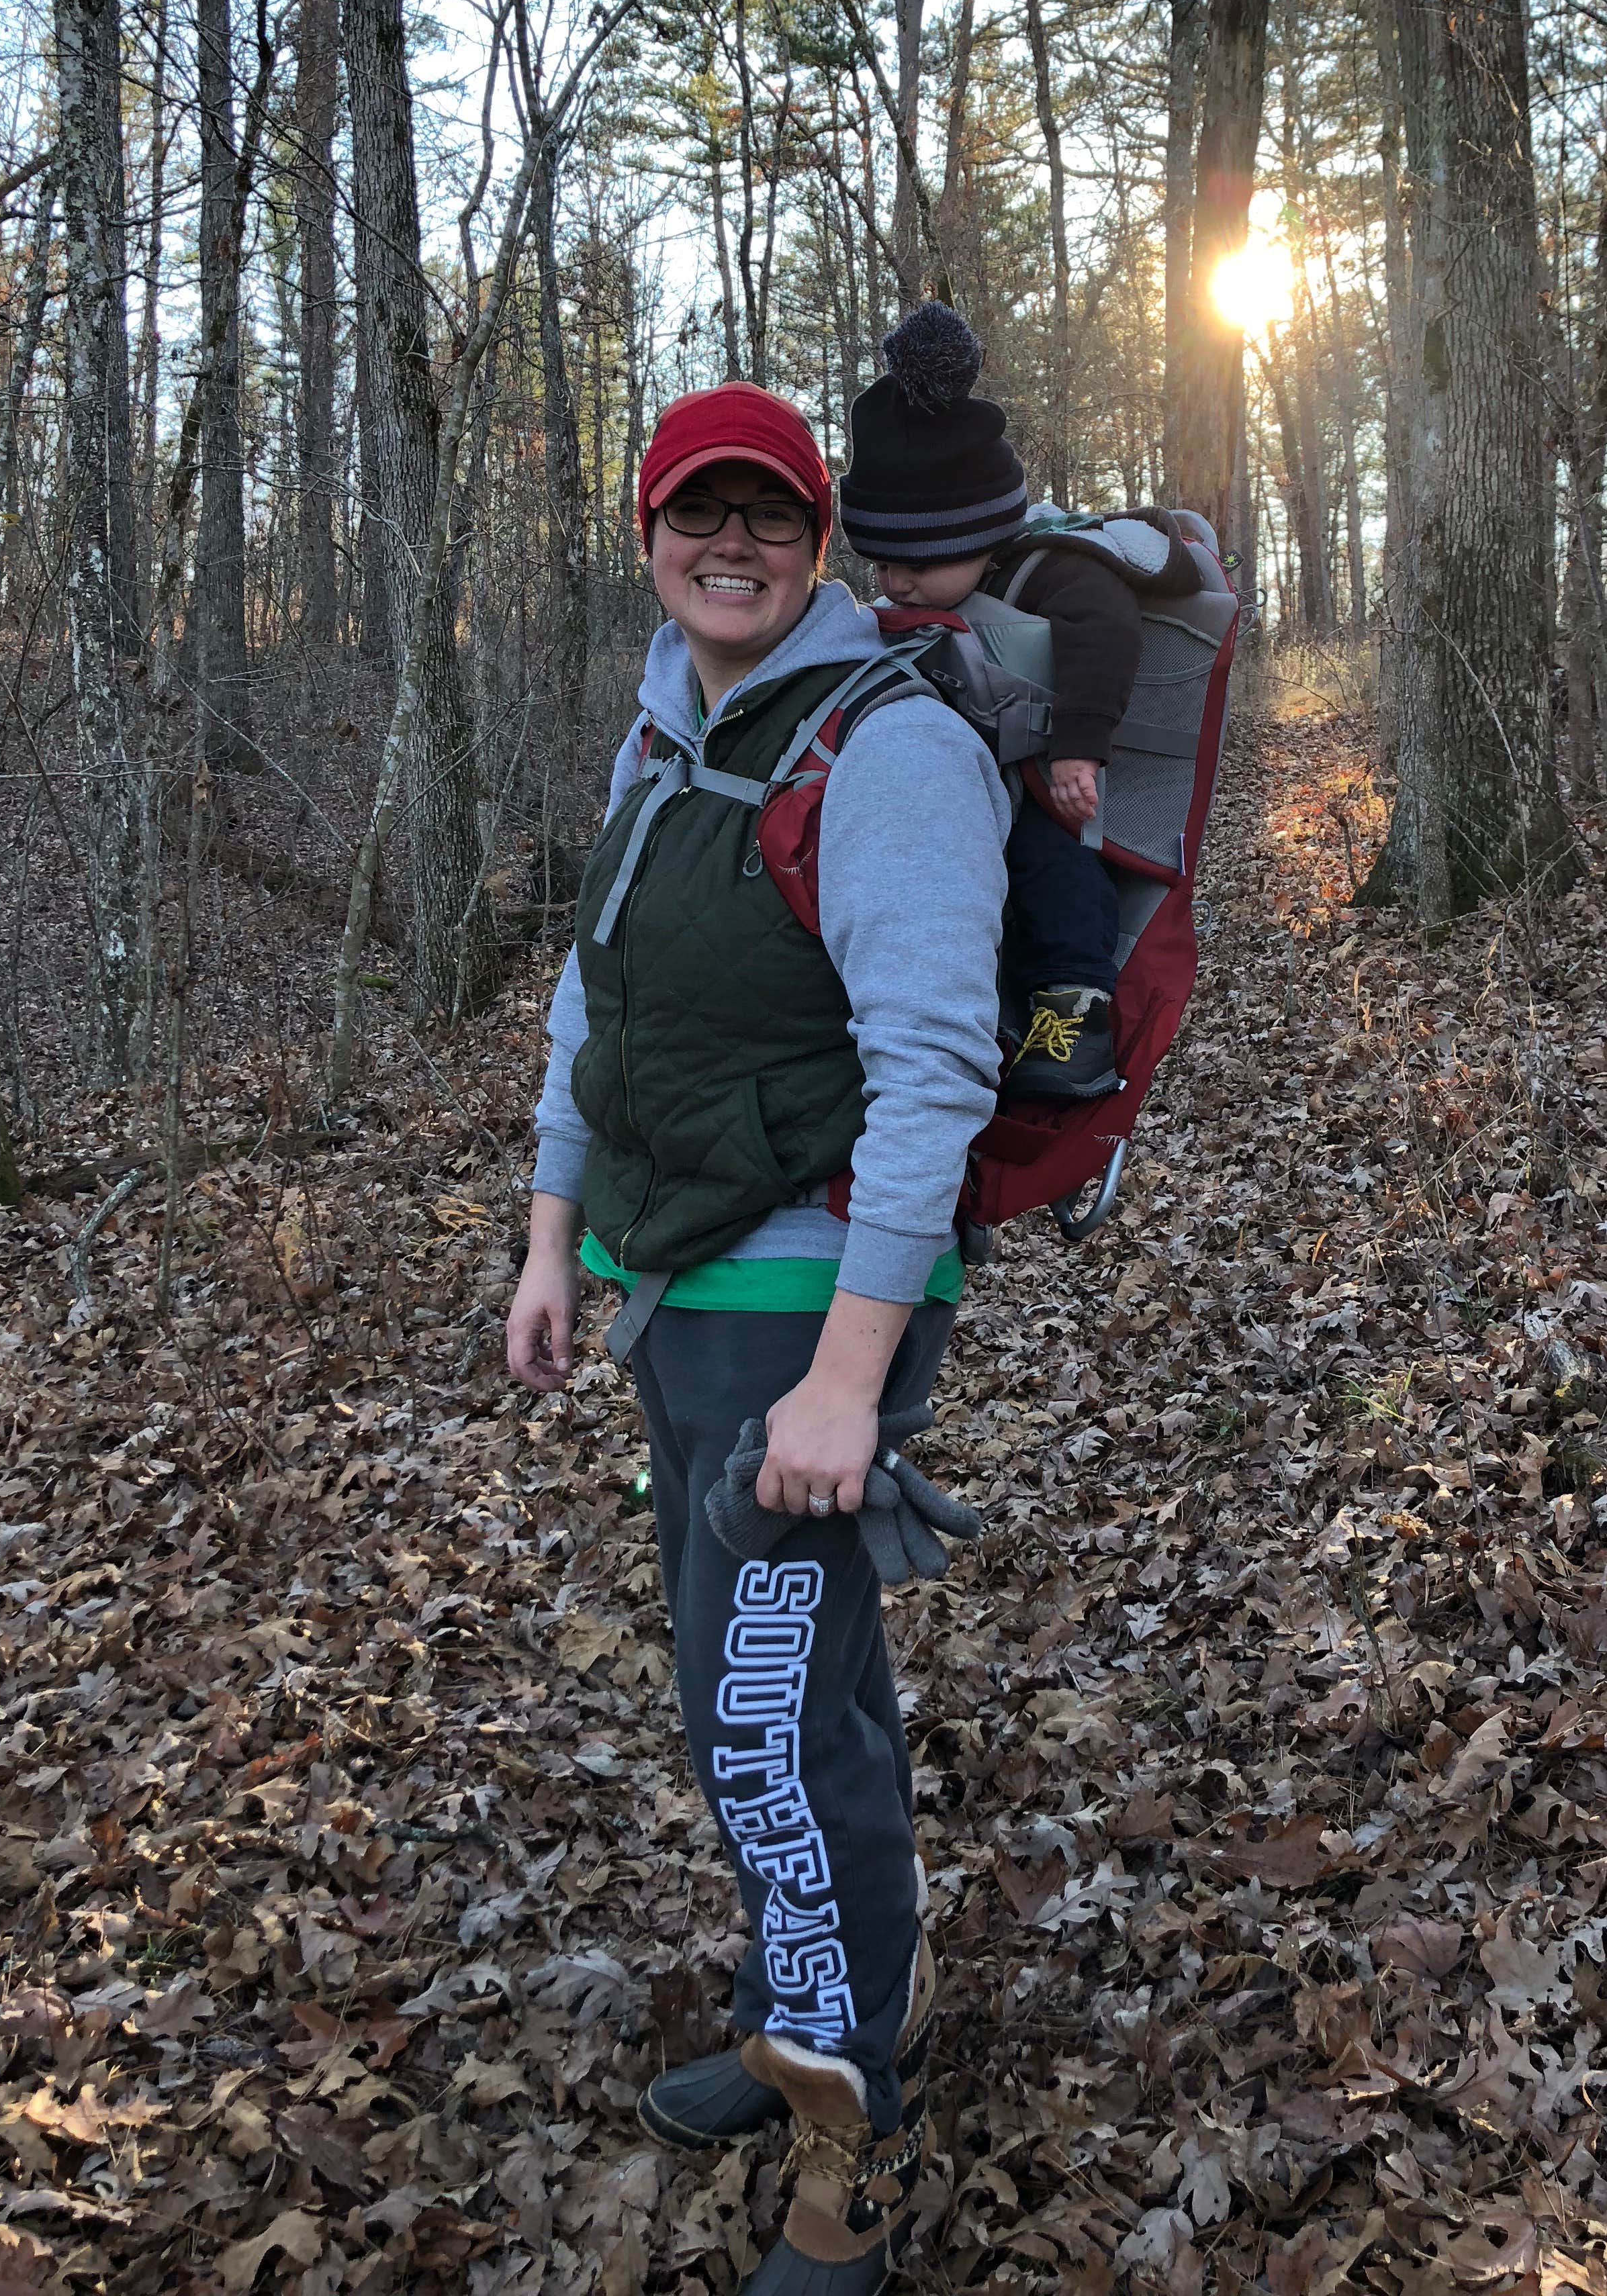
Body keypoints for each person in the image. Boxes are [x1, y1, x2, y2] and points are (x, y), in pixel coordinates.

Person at [507, 379, 1009, 2296]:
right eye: (697, 515)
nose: (733, 546)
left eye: (771, 519)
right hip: (684, 1294)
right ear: (647, 532)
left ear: (820, 543)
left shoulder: (885, 747)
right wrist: (556, 1238)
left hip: (807, 1312)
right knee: (787, 1703)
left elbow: (935, 1070)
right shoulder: (672, 718)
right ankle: (796, 1997)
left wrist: (850, 1382)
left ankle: (846, 2145)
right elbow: (598, 1009)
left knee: (768, 1733)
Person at [836, 301, 1203, 1104]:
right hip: (969, 780)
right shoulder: (955, 582)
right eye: (882, 562)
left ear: (975, 531)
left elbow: (1105, 636)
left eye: (916, 563)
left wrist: (1078, 744)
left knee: (1055, 865)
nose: (895, 582)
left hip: (1047, 780)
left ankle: (1078, 1005)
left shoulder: (1052, 570)